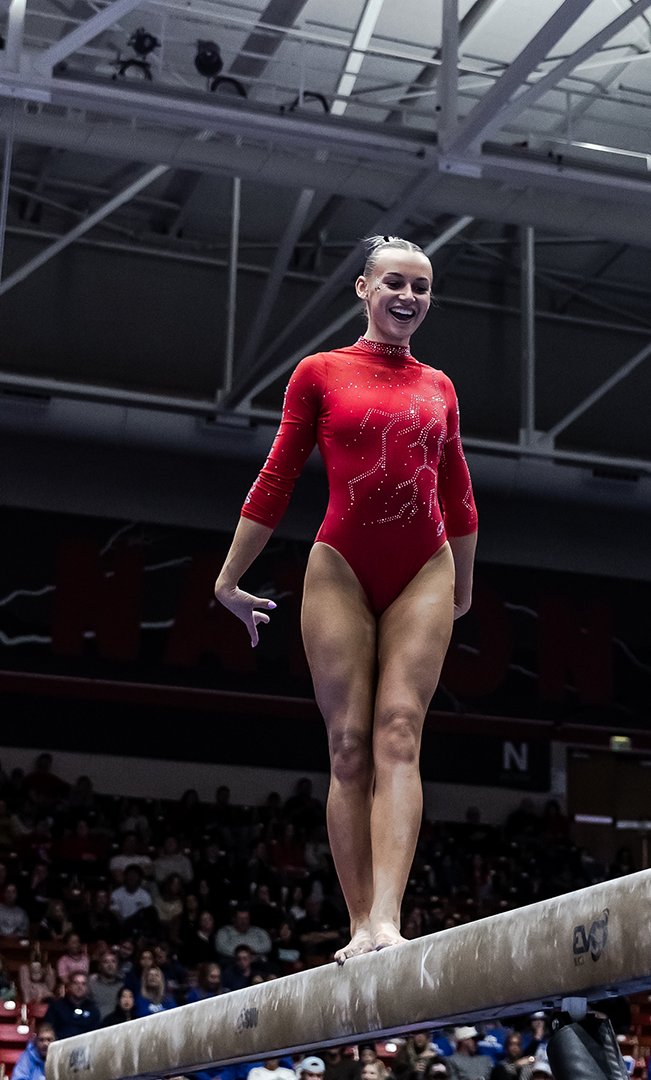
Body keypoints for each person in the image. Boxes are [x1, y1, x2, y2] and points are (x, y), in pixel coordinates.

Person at [216, 235, 478, 962]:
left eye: (422, 288)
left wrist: (463, 583)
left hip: (424, 566)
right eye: (394, 283)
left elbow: (457, 495)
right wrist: (228, 578)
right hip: (340, 564)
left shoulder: (440, 387)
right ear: (363, 289)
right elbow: (276, 478)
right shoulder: (319, 373)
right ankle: (360, 921)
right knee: (349, 745)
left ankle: (390, 920)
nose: (409, 298)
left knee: (399, 731)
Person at [46, 973, 100, 1037]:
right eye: (75, 983)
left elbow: (96, 1034)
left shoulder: (93, 1009)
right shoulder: (57, 1006)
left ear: (87, 988)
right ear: (69, 986)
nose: (79, 987)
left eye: (83, 984)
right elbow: (48, 1029)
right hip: (62, 1044)